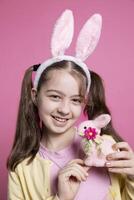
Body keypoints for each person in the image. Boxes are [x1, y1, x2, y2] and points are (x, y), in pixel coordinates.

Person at [7, 10, 134, 200]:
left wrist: (133, 178)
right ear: (35, 95)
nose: (64, 109)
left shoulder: (106, 147)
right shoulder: (21, 169)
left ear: (84, 101)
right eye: (55, 97)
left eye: (75, 100)